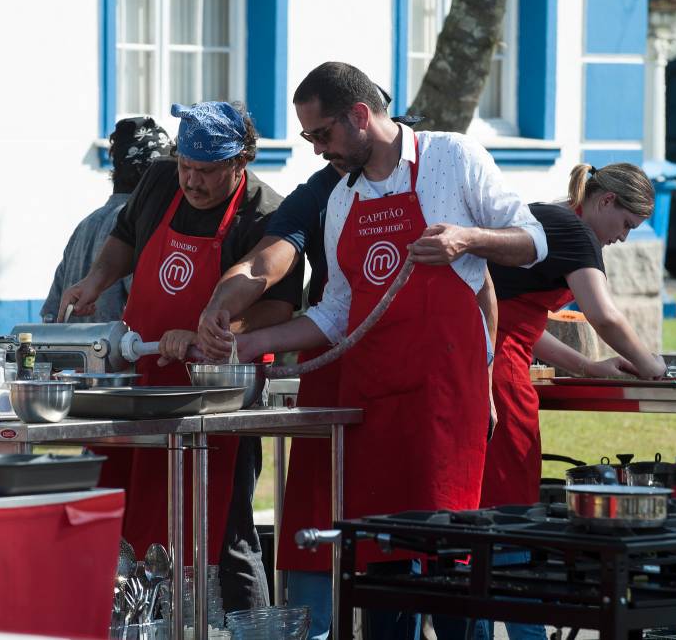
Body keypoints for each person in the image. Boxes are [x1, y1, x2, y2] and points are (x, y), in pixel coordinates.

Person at [229, 61, 547, 639]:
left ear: (359, 116)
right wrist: (256, 341)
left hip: (443, 405)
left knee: (450, 558)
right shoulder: (342, 202)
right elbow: (336, 313)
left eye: (321, 135)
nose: (318, 150)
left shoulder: (452, 159)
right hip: (372, 407)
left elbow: (533, 241)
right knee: (382, 569)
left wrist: (466, 238)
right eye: (307, 139)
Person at [58, 101, 304, 611]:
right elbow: (124, 241)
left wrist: (217, 330)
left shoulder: (267, 214)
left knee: (225, 534)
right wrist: (93, 282)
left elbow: (280, 308)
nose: (192, 181)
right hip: (142, 378)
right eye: (186, 166)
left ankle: (234, 624)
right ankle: (134, 620)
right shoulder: (160, 181)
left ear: (241, 161)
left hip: (216, 391)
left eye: (207, 171)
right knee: (121, 523)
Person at [481, 163, 668, 510]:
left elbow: (520, 324)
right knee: (510, 469)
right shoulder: (577, 233)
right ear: (606, 200)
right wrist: (651, 366)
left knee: (490, 470)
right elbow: (605, 317)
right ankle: (508, 554)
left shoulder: (548, 214)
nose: (623, 238)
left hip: (488, 353)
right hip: (498, 365)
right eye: (627, 224)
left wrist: (589, 367)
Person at [41, 117, 168, 323]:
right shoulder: (141, 224)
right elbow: (150, 308)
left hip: (71, 352)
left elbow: (52, 312)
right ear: (147, 174)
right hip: (117, 353)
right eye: (167, 171)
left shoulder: (85, 225)